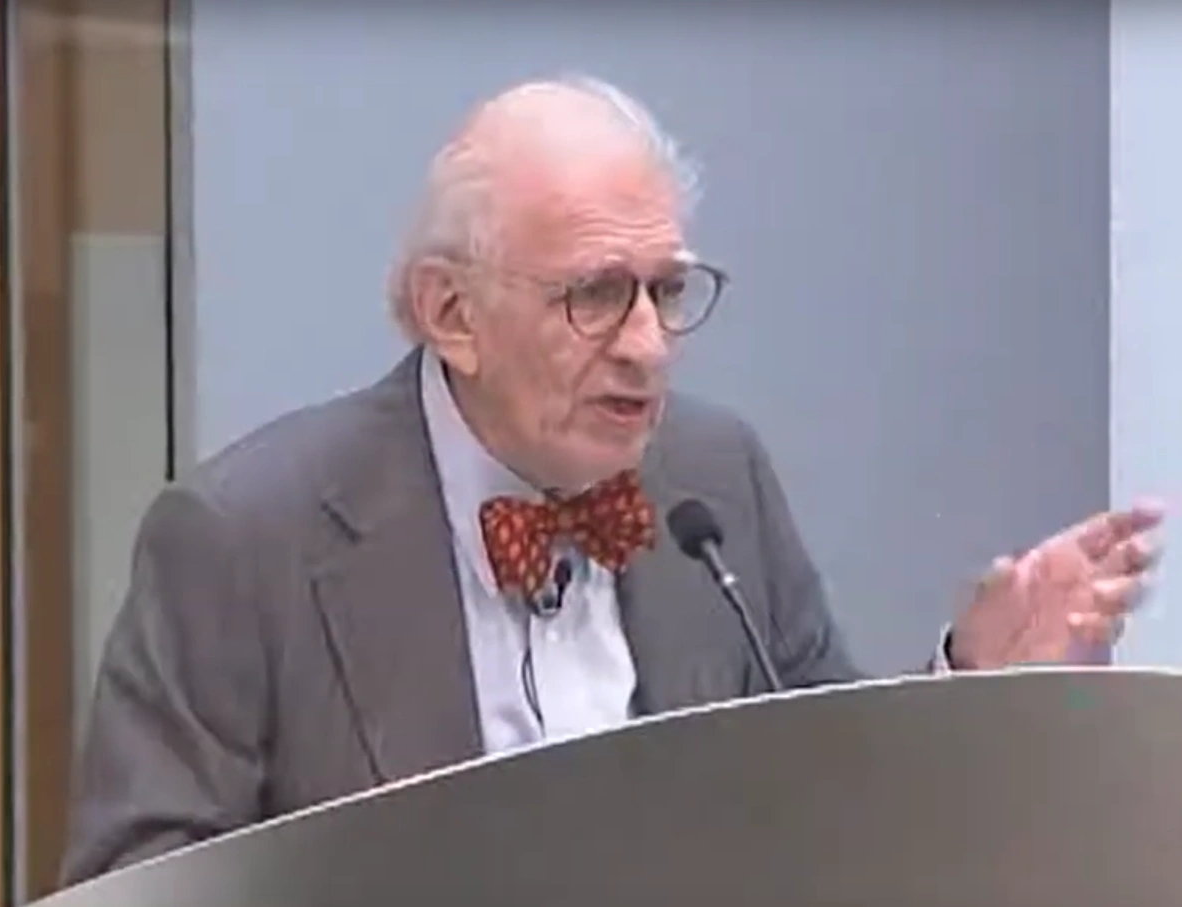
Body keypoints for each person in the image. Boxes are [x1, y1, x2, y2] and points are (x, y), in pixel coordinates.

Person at [61, 75, 1163, 886]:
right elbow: (136, 880)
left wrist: (965, 683)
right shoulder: (247, 539)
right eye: (595, 295)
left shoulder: (712, 479)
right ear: (452, 314)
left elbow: (828, 793)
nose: (647, 345)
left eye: (666, 291)